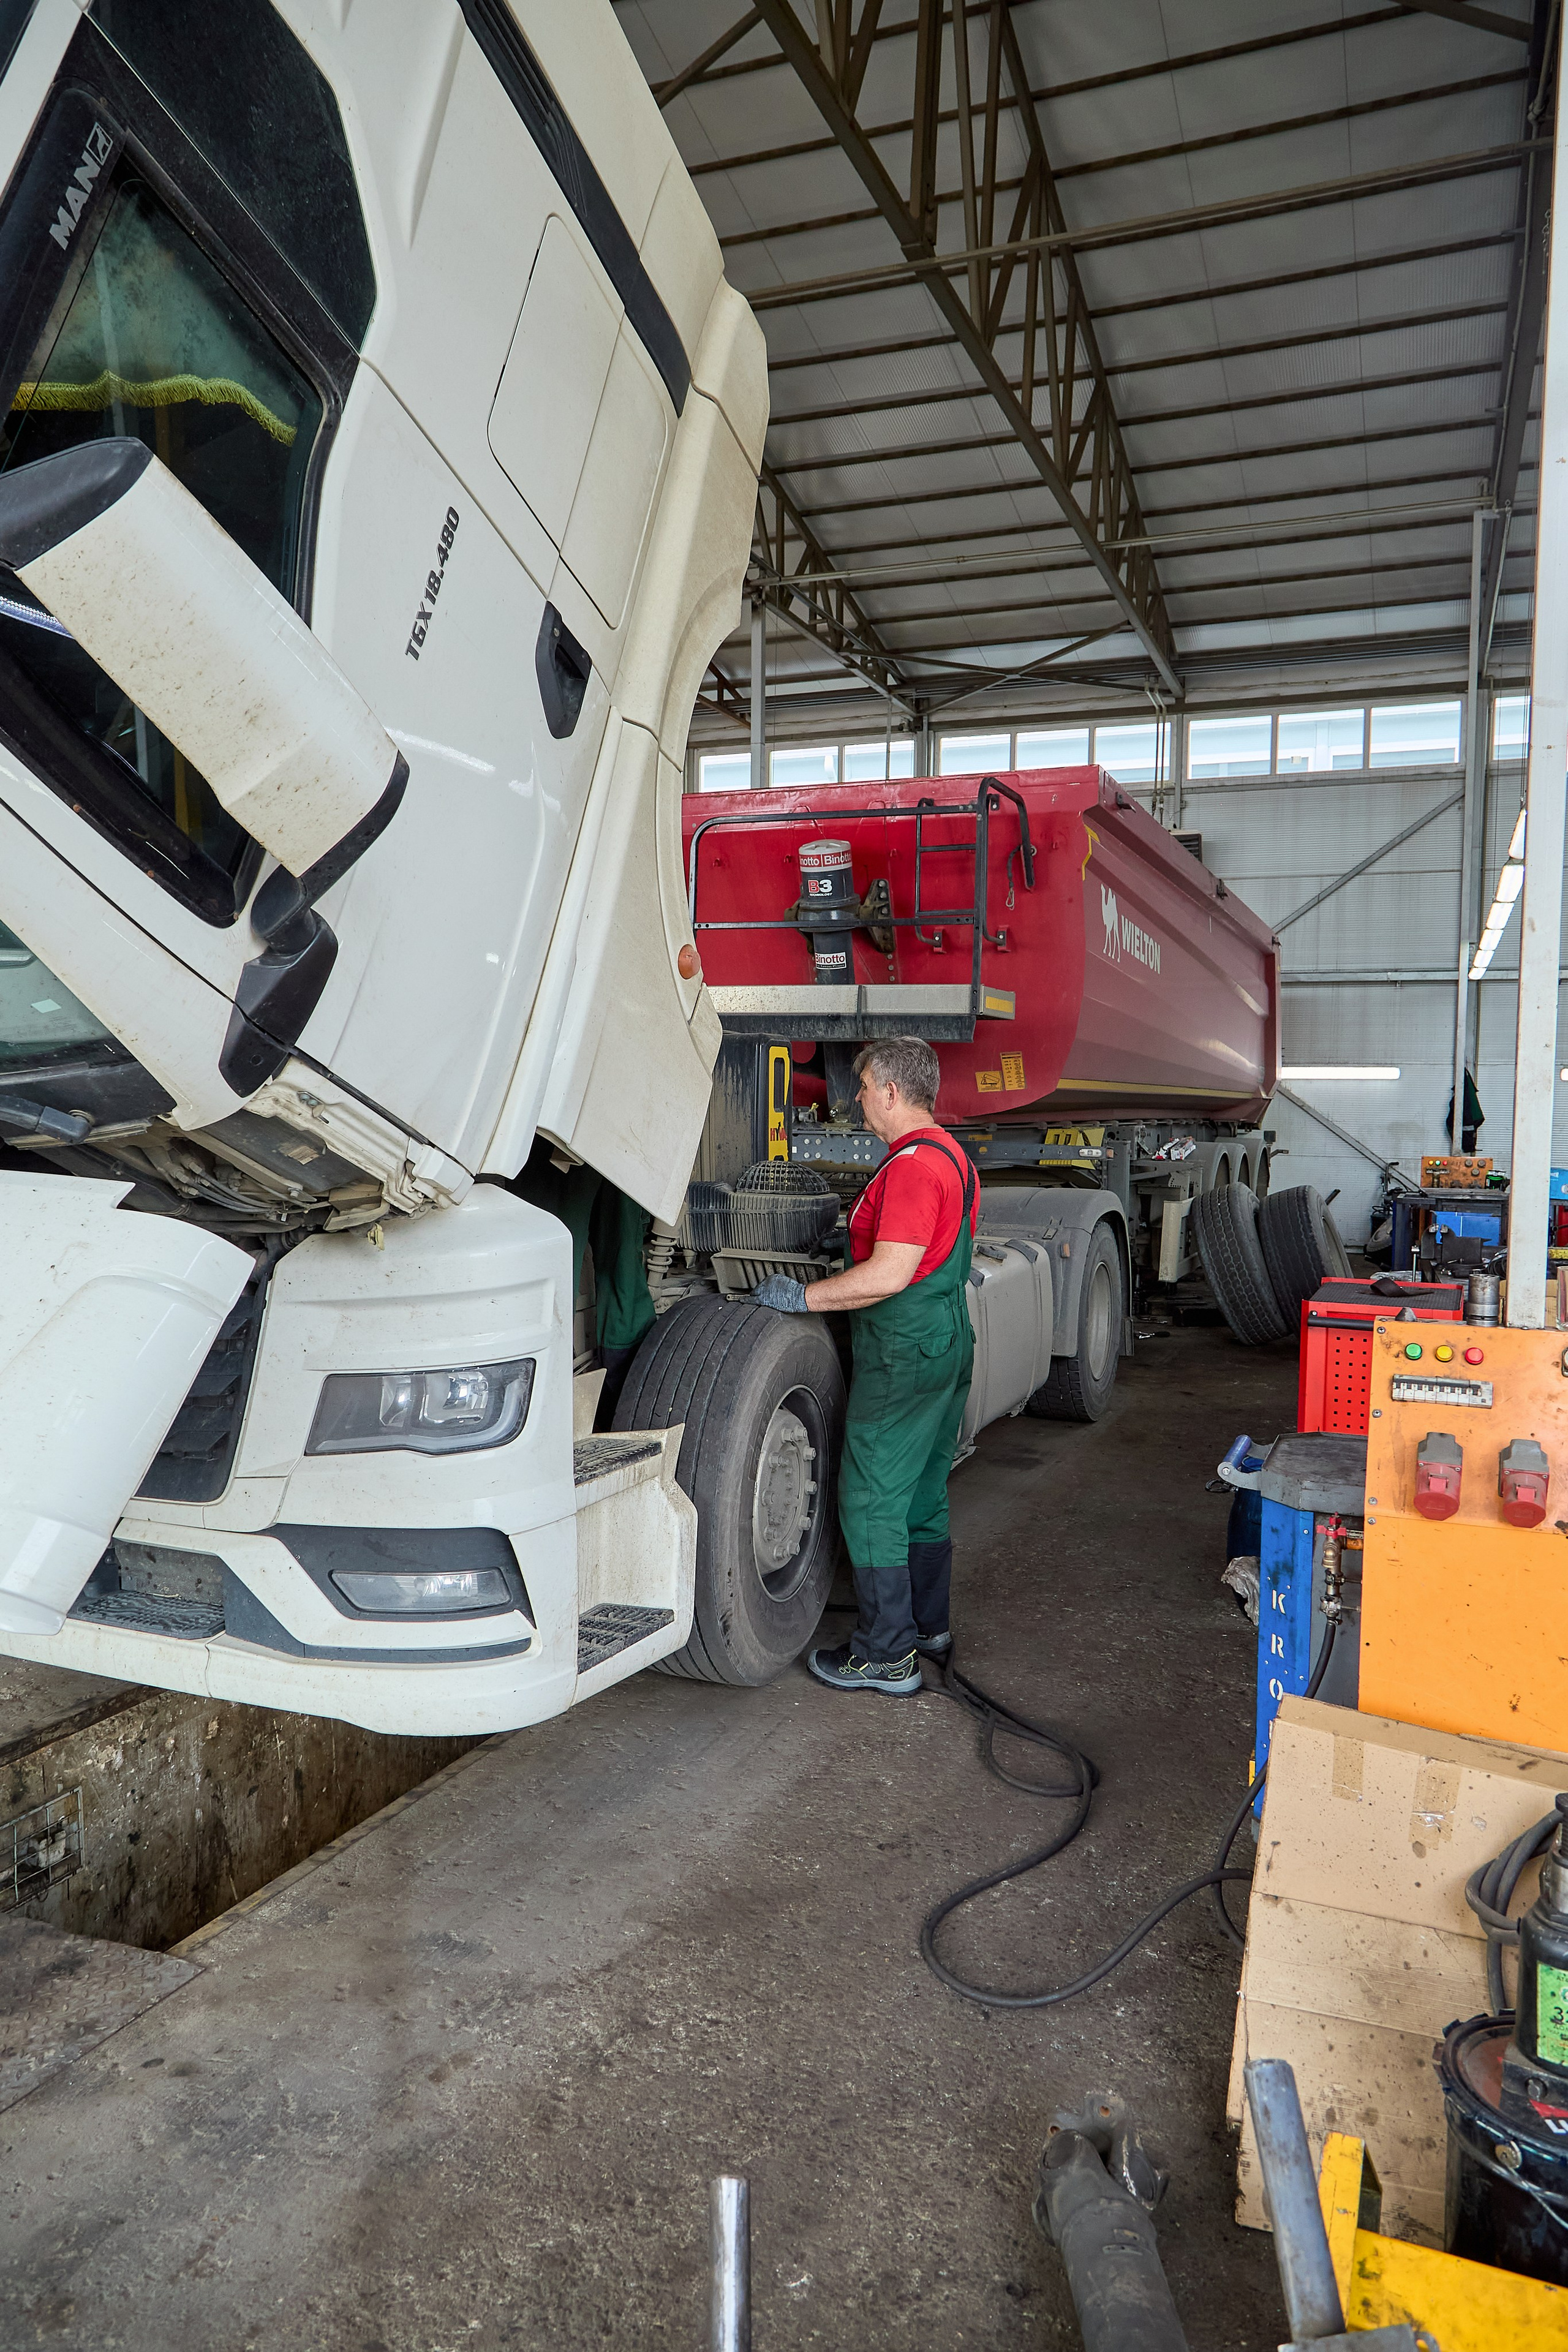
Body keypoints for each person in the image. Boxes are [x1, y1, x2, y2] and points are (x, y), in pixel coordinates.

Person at [753, 1036, 977, 1696]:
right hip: (944, 1340)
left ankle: (885, 1654)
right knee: (923, 1493)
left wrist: (803, 1296)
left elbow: (891, 1272)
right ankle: (927, 1627)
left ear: (890, 1092)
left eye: (863, 1086)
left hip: (903, 1350)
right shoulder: (949, 1153)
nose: (855, 1099)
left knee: (873, 1497)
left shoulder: (911, 1166)